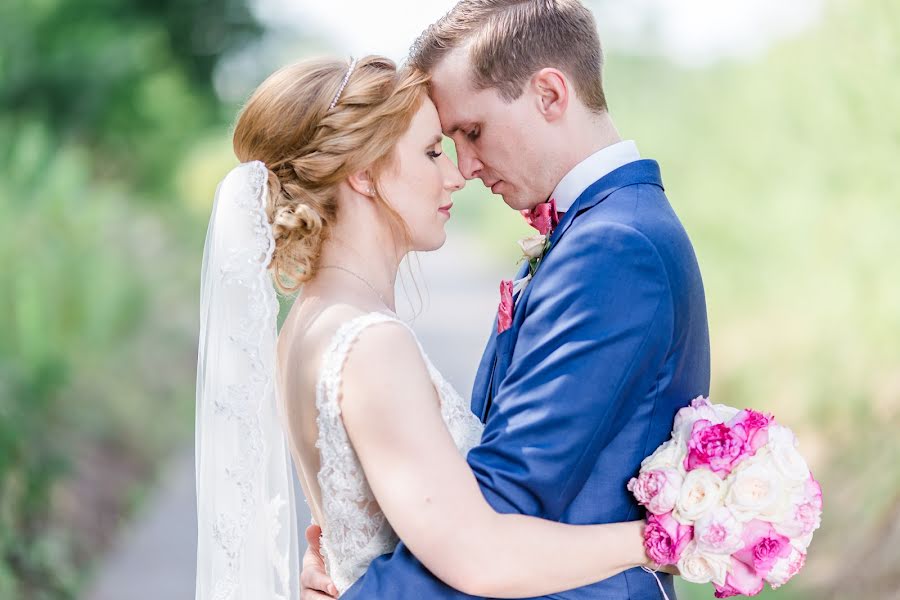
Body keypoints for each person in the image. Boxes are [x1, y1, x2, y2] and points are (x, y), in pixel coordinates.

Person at [195, 53, 676, 600]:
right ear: (363, 172)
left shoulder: (307, 325)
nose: (456, 175)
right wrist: (662, 538)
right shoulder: (369, 343)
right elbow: (480, 557)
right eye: (430, 152)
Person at [300, 1, 710, 599]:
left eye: (471, 132)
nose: (464, 166)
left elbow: (499, 507)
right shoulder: (594, 233)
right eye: (447, 143)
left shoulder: (615, 249)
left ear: (548, 94)